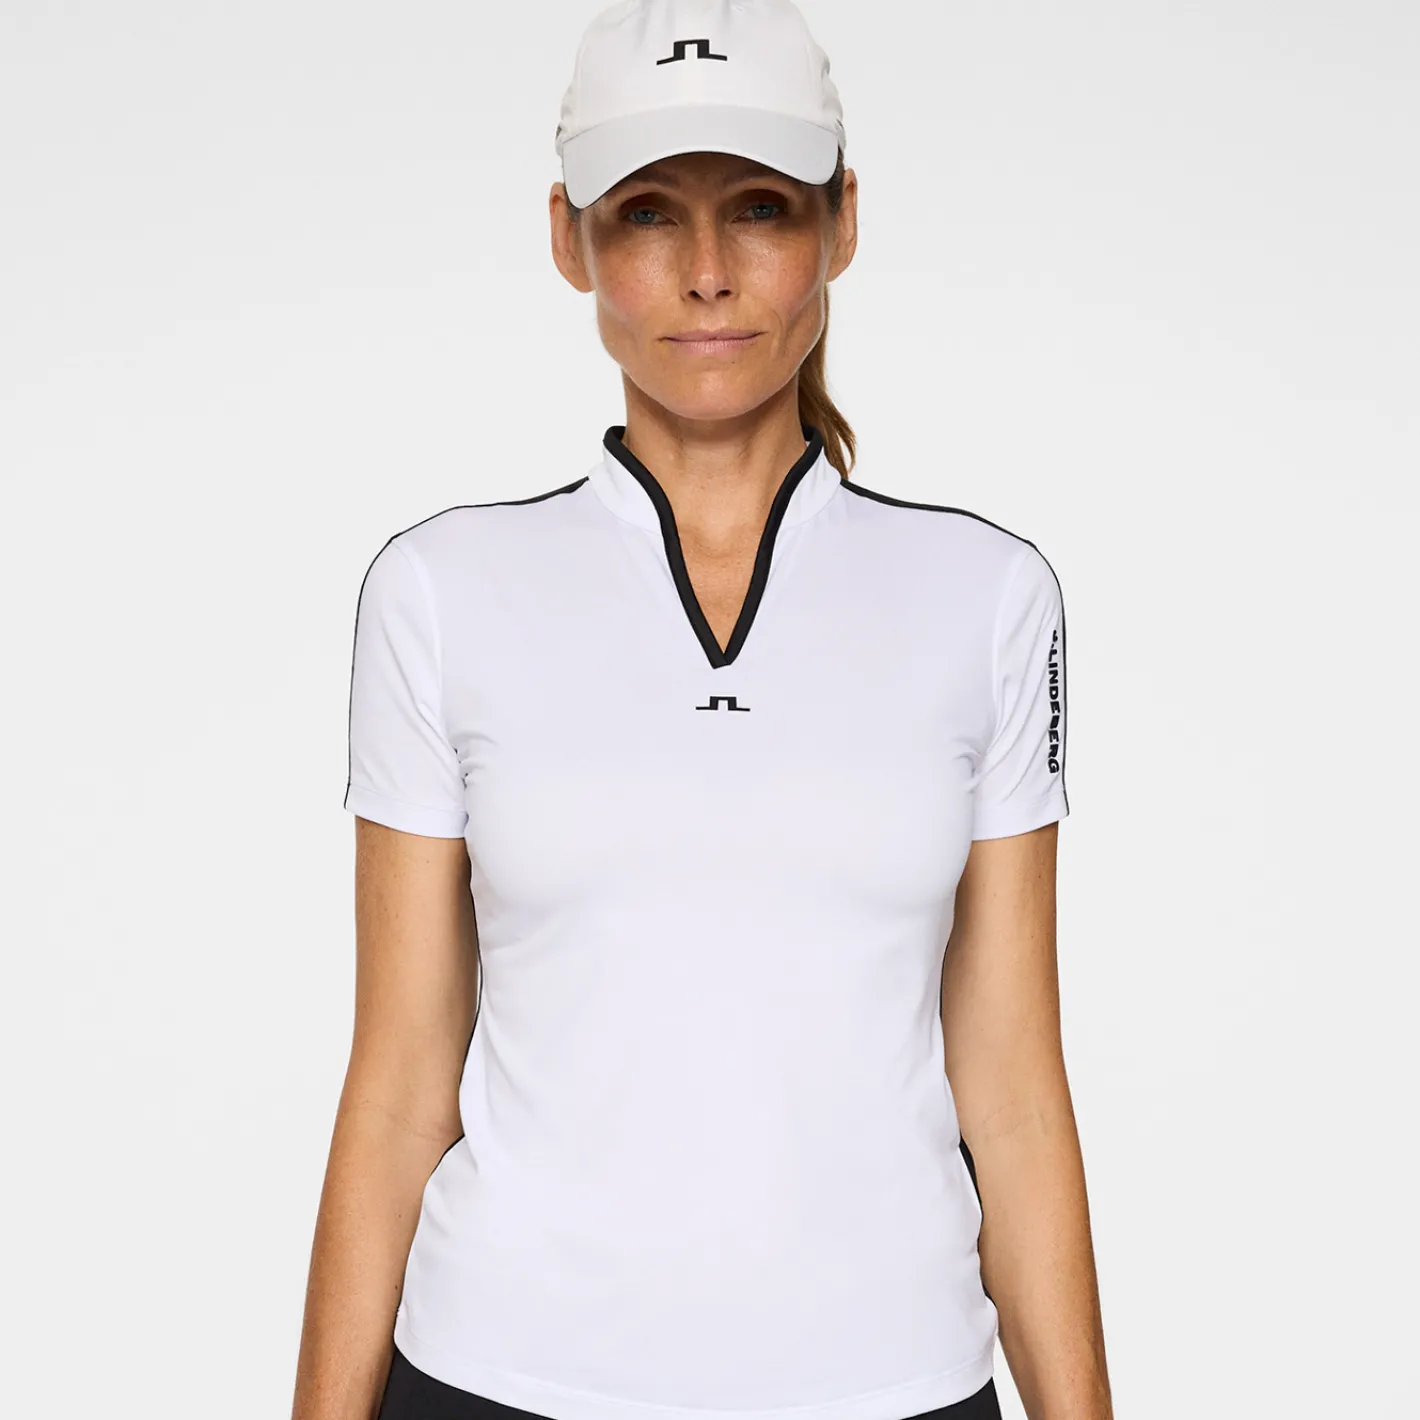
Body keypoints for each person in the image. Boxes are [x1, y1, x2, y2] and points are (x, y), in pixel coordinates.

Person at [290, 3, 1112, 1419]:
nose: (711, 272)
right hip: (503, 1375)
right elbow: (401, 1081)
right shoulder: (439, 592)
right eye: (649, 213)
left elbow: (1016, 1090)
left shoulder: (987, 596)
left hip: (891, 1382)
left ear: (842, 225)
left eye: (762, 208)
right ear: (570, 240)